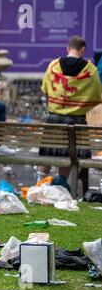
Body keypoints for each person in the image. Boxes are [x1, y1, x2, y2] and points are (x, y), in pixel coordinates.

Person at [37, 36, 102, 181]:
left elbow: (45, 89)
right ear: (83, 50)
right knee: (69, 154)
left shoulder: (53, 65)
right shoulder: (90, 69)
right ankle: (62, 182)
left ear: (68, 48)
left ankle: (39, 182)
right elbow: (97, 95)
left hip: (53, 119)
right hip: (76, 121)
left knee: (48, 152)